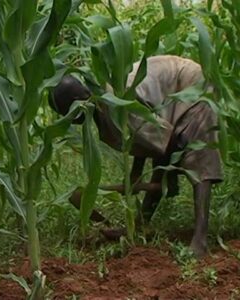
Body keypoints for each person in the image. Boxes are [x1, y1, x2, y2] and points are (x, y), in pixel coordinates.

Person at [48, 55, 223, 257]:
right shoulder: (102, 109)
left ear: (82, 100)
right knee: (164, 155)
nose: (70, 119)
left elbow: (162, 136)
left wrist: (170, 175)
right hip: (166, 96)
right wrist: (136, 174)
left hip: (189, 83)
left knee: (197, 158)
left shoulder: (116, 103)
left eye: (70, 111)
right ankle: (140, 225)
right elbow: (143, 139)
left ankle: (200, 241)